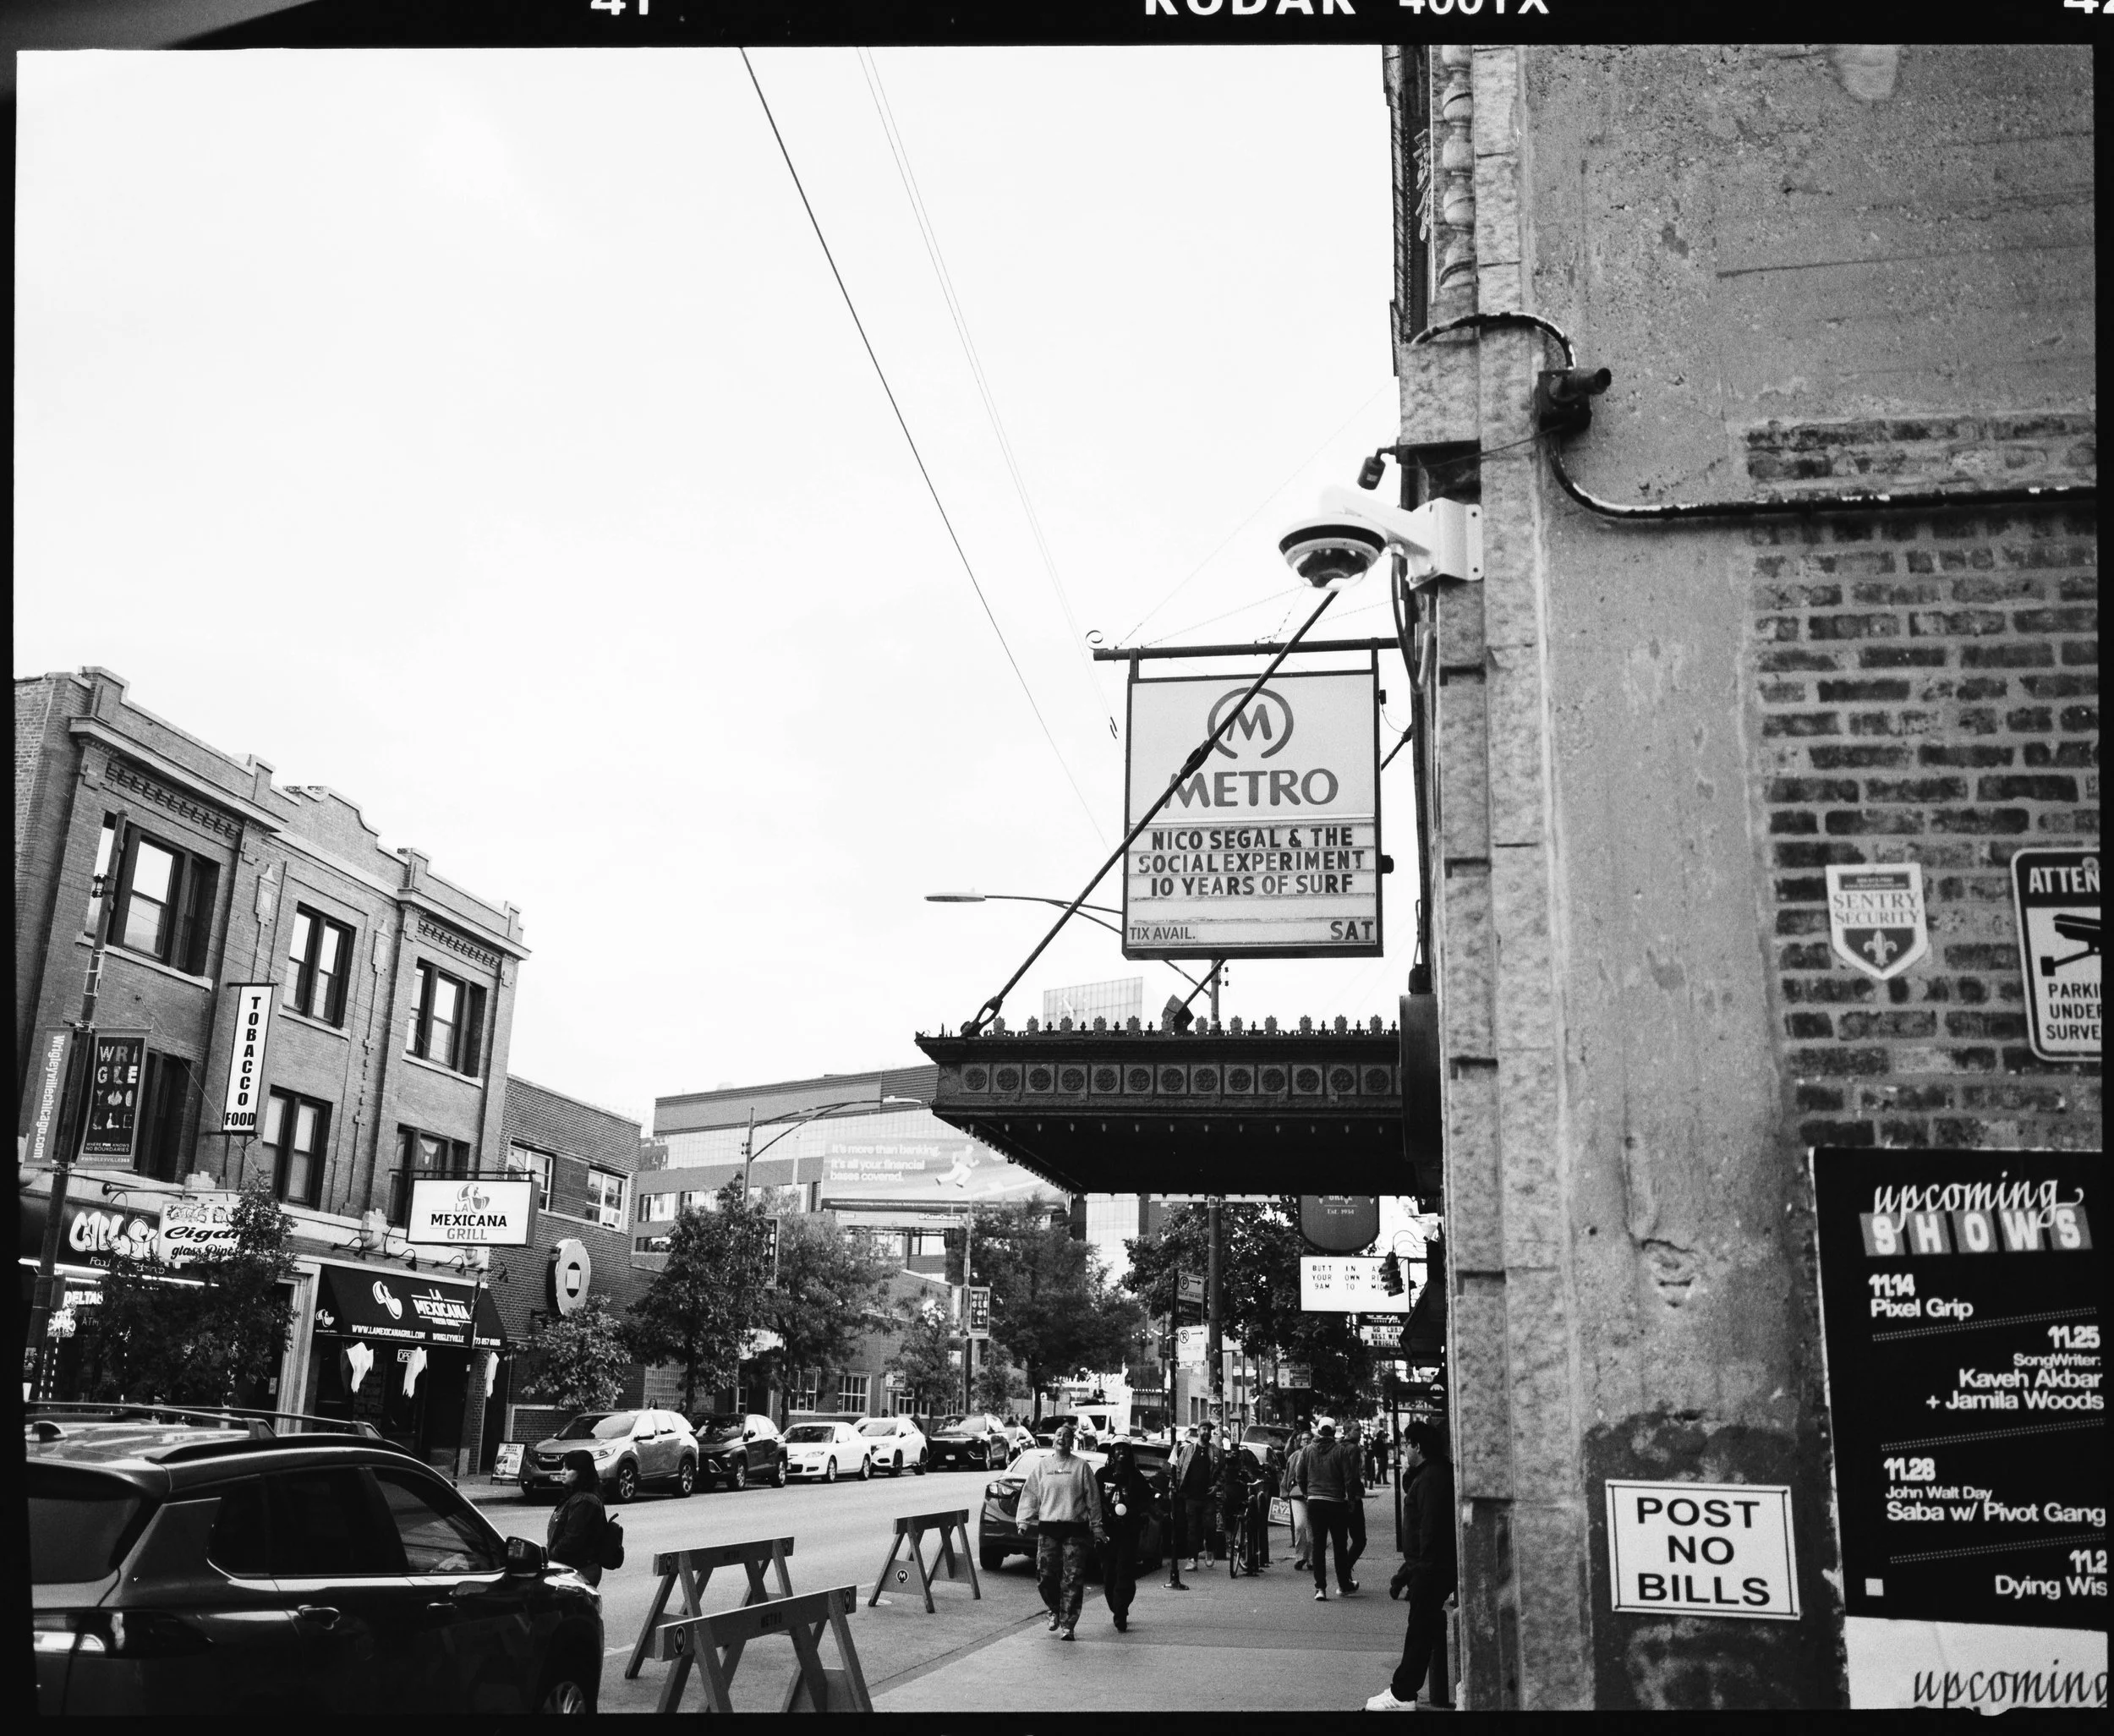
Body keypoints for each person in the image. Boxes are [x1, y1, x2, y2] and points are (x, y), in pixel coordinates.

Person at [1368, 1421, 1457, 1711]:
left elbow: (1430, 1531)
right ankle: (1403, 1690)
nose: (1404, 1450)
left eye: (1407, 1444)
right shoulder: (1431, 1475)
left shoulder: (1431, 1478)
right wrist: (1405, 1574)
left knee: (1419, 1630)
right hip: (1426, 1567)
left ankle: (1402, 1693)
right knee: (1423, 1629)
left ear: (1418, 1446)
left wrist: (1419, 1574)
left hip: (1430, 1570)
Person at [1016, 1418, 1107, 1640]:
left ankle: (1068, 1624)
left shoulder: (1081, 1467)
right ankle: (1054, 1608)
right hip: (1049, 1529)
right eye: (1058, 1434)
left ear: (1072, 1441)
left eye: (1066, 1435)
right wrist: (1023, 1521)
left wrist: (1096, 1527)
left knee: (1073, 1578)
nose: (1061, 1438)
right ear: (1053, 1439)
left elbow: (1093, 1500)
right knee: (1045, 1575)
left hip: (1075, 1530)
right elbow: (1030, 1494)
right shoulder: (1043, 1466)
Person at [1295, 1417, 1358, 1601]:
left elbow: (1300, 1476)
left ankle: (1320, 1588)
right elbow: (1349, 1479)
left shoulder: (1307, 1451)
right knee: (1339, 1546)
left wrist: (1308, 1493)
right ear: (1332, 1432)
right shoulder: (1340, 1451)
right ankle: (1343, 1584)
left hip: (1315, 1502)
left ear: (1319, 1432)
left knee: (1318, 1545)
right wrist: (1351, 1500)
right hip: (1336, 1502)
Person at [1094, 1439, 1153, 1632]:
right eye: (1117, 1448)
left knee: (1124, 1571)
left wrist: (1134, 1513)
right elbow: (1094, 1500)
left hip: (1128, 1532)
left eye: (1124, 1449)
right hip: (1107, 1532)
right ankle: (1116, 1605)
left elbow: (1147, 1501)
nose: (1121, 1452)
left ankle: (1121, 1612)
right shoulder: (1102, 1475)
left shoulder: (1135, 1477)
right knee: (1109, 1573)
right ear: (1112, 1453)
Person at [545, 1450, 608, 1588]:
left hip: (579, 1571)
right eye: (563, 1467)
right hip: (571, 1569)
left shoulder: (585, 1501)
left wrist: (548, 1558)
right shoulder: (575, 1498)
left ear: (582, 1472)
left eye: (568, 1468)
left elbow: (571, 1540)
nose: (562, 1472)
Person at [1171, 1421, 1221, 1570]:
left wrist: (1217, 1486)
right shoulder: (1188, 1450)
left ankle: (1210, 1550)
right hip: (1191, 1496)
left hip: (1208, 1497)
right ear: (1198, 1431)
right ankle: (1192, 1559)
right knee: (1192, 1529)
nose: (1206, 1432)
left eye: (1209, 1430)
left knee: (1210, 1526)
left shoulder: (1215, 1451)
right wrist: (1175, 1484)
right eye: (1204, 1429)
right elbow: (1178, 1468)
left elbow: (1222, 1472)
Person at [1284, 1431, 1313, 1571]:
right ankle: (1300, 1556)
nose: (1306, 1441)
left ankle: (1312, 1559)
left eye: (1309, 1439)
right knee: (1300, 1525)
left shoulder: (1316, 1455)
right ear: (1300, 1442)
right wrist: (1284, 1491)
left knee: (1312, 1528)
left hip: (1314, 1493)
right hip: (1298, 1494)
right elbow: (1288, 1476)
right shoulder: (1295, 1456)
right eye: (1304, 1440)